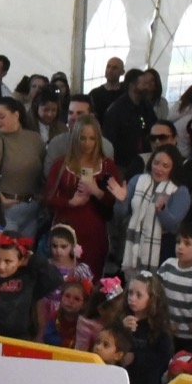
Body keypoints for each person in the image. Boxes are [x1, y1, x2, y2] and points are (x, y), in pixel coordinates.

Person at [43, 115, 119, 277]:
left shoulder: (107, 166)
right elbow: (48, 198)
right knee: (61, 279)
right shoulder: (60, 164)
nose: (87, 143)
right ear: (75, 138)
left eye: (92, 138)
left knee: (90, 278)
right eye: (82, 138)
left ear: (98, 139)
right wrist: (70, 202)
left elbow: (115, 202)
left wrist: (97, 191)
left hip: (95, 234)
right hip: (65, 232)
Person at [108, 143, 190, 275]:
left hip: (162, 249)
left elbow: (172, 227)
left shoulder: (180, 191)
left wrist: (161, 210)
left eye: (165, 166)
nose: (158, 169)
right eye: (156, 163)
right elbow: (119, 216)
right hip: (131, 243)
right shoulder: (137, 180)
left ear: (174, 168)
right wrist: (121, 200)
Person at [0, 96, 46, 236]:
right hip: (7, 208)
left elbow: (44, 172)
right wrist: (0, 198)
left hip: (32, 207)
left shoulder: (35, 139)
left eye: (1, 116)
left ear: (16, 115)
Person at [155, 224, 192, 358]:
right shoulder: (167, 265)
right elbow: (156, 295)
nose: (180, 247)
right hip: (169, 332)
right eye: (178, 242)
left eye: (187, 243)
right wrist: (164, 323)